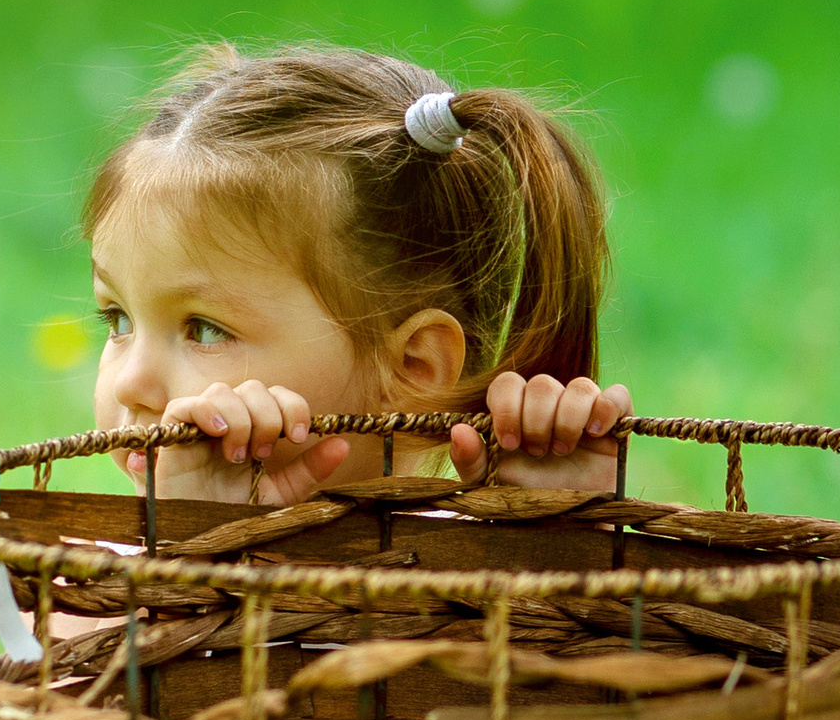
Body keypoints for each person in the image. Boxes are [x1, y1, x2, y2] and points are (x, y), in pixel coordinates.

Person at [84, 40, 631, 509]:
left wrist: (568, 542)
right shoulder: (92, 584)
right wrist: (190, 553)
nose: (131, 383)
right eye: (118, 320)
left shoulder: (475, 587)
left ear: (412, 367)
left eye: (204, 329)